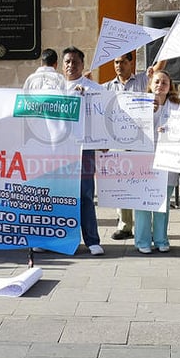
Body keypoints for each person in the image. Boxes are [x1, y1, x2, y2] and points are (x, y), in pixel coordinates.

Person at [62, 46, 104, 256]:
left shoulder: (93, 89)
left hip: (84, 149)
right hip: (58, 150)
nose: (71, 66)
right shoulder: (55, 88)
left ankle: (92, 240)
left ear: (82, 64)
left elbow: (103, 115)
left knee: (85, 194)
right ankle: (56, 238)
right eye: (67, 62)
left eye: (75, 62)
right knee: (59, 194)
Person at [134, 69, 180, 253]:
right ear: (150, 84)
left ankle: (161, 239)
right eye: (157, 82)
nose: (160, 86)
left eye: (164, 82)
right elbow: (130, 130)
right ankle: (142, 240)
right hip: (144, 161)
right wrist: (149, 113)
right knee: (143, 202)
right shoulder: (140, 104)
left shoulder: (178, 105)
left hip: (167, 161)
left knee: (163, 203)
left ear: (170, 86)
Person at [104, 50, 149, 240]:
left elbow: (158, 71)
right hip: (117, 142)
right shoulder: (106, 87)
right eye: (115, 62)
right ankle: (124, 226)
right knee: (121, 184)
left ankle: (142, 226)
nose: (118, 66)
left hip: (139, 141)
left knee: (139, 183)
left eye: (122, 62)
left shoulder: (141, 82)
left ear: (131, 63)